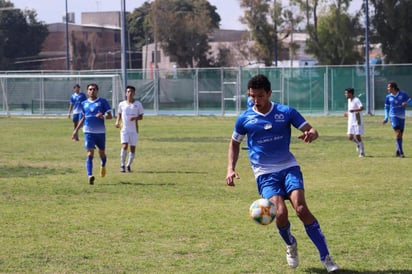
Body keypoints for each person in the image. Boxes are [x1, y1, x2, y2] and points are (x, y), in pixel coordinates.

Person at [225, 74, 339, 273]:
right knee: (281, 213)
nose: (256, 100)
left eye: (260, 96)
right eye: (252, 96)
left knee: (302, 209)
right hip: (264, 173)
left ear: (269, 93)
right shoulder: (245, 118)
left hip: (288, 167)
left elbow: (311, 129)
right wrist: (230, 168)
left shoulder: (285, 112)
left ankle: (326, 257)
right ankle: (290, 244)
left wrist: (312, 134)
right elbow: (235, 143)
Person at [72, 83, 113, 185]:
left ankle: (103, 164)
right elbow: (83, 118)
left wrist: (102, 116)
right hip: (88, 132)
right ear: (87, 91)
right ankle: (90, 175)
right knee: (90, 153)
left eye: (94, 89)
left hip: (100, 132)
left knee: (101, 153)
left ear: (97, 91)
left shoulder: (102, 102)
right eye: (90, 89)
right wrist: (76, 130)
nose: (92, 91)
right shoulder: (84, 103)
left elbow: (110, 116)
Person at [115, 85, 144, 172]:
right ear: (126, 93)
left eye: (131, 91)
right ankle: (122, 165)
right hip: (124, 129)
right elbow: (119, 114)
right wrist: (117, 121)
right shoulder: (122, 104)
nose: (130, 93)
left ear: (134, 93)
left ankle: (128, 165)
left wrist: (135, 118)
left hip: (134, 130)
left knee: (132, 148)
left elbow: (141, 116)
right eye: (128, 91)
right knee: (124, 145)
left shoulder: (138, 104)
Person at [383, 81, 412, 157]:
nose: (387, 88)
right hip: (393, 116)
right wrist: (386, 117)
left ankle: (397, 151)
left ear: (393, 88)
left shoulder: (403, 94)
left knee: (400, 135)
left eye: (388, 87)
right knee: (398, 133)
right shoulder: (388, 97)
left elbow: (410, 101)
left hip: (402, 117)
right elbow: (386, 108)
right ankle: (401, 152)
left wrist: (406, 103)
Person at [344, 88, 365, 157]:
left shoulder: (356, 100)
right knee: (350, 137)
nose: (345, 94)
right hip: (350, 120)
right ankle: (358, 143)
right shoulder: (349, 100)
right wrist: (347, 113)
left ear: (350, 93)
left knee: (358, 135)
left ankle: (362, 152)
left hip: (357, 120)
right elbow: (350, 110)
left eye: (346, 93)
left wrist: (354, 110)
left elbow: (362, 108)